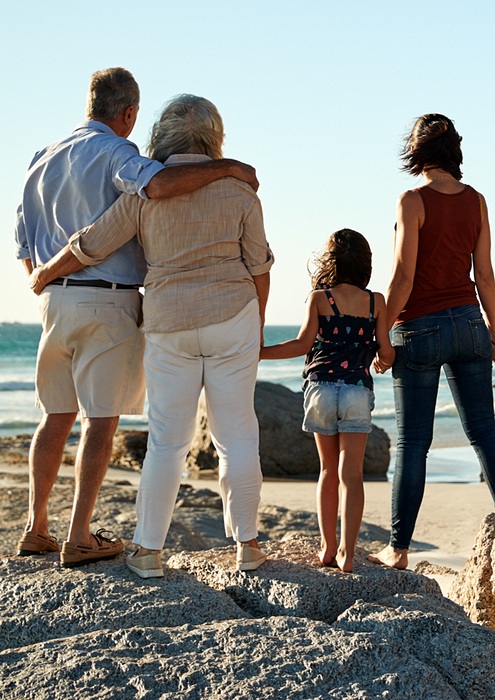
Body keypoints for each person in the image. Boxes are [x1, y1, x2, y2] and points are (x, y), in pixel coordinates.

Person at [15, 69, 259, 568]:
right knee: (113, 422)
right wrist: (229, 167)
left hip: (68, 302)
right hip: (128, 302)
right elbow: (166, 188)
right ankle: (85, 534)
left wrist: (43, 278)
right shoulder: (129, 161)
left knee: (72, 419)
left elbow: (44, 241)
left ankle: (57, 532)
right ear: (127, 114)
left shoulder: (42, 157)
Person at [369, 114, 495, 570]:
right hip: (468, 324)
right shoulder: (477, 201)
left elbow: (403, 277)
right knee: (485, 433)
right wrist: (494, 331)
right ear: (454, 151)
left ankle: (398, 549)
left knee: (412, 443)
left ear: (417, 152)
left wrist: (380, 332)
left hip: (419, 328)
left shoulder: (412, 200)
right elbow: (485, 276)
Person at [260, 229, 394, 571]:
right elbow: (387, 352)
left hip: (321, 388)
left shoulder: (320, 298)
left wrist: (259, 352)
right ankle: (349, 553)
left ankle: (327, 549)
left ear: (330, 260)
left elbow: (301, 345)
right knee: (353, 474)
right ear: (365, 263)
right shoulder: (376, 302)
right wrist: (380, 357)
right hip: (356, 391)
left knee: (327, 471)